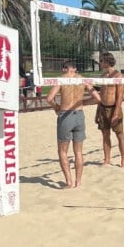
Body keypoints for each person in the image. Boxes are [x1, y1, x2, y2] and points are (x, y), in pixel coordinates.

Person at [46, 60, 101, 189]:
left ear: (65, 69)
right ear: (75, 69)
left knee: (62, 151)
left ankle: (69, 182)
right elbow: (98, 98)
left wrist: (56, 108)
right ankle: (78, 182)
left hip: (66, 115)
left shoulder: (61, 79)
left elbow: (49, 98)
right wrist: (83, 103)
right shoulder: (83, 80)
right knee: (78, 152)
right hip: (79, 115)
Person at [95, 52, 124, 167]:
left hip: (114, 108)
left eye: (102, 61)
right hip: (103, 108)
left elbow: (120, 96)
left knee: (119, 134)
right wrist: (98, 111)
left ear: (107, 62)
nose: (100, 63)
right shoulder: (102, 76)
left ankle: (123, 160)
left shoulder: (118, 75)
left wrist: (116, 112)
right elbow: (101, 94)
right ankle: (107, 159)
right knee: (105, 135)